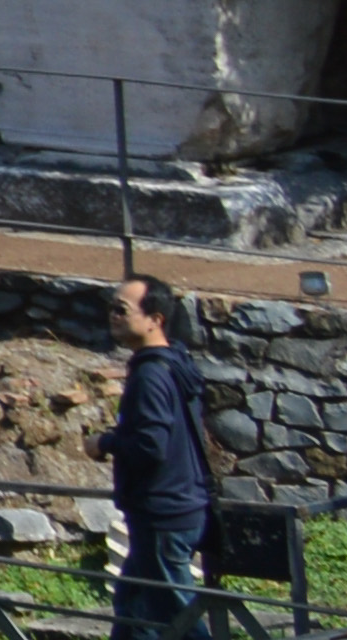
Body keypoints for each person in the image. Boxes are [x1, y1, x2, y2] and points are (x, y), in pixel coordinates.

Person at [110, 274, 220, 640]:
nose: (112, 316)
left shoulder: (152, 375)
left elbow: (150, 446)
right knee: (134, 613)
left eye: (121, 309)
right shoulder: (175, 365)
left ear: (155, 319)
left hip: (163, 513)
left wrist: (106, 443)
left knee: (180, 621)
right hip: (179, 506)